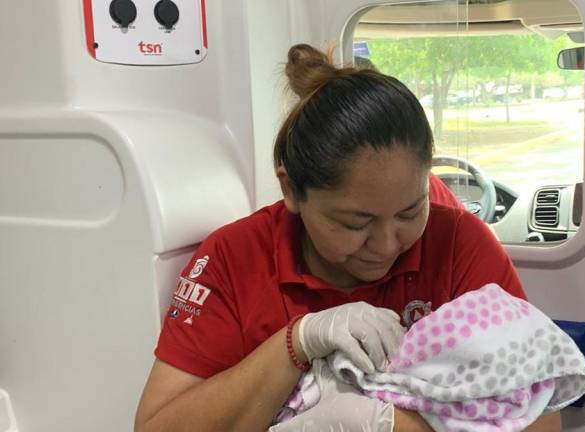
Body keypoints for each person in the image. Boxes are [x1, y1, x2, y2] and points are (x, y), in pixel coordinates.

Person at [134, 44, 561, 432]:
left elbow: (538, 412)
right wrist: (297, 342)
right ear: (291, 191)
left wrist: (392, 425)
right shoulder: (234, 258)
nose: (388, 244)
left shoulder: (457, 244)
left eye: (410, 211)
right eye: (356, 224)